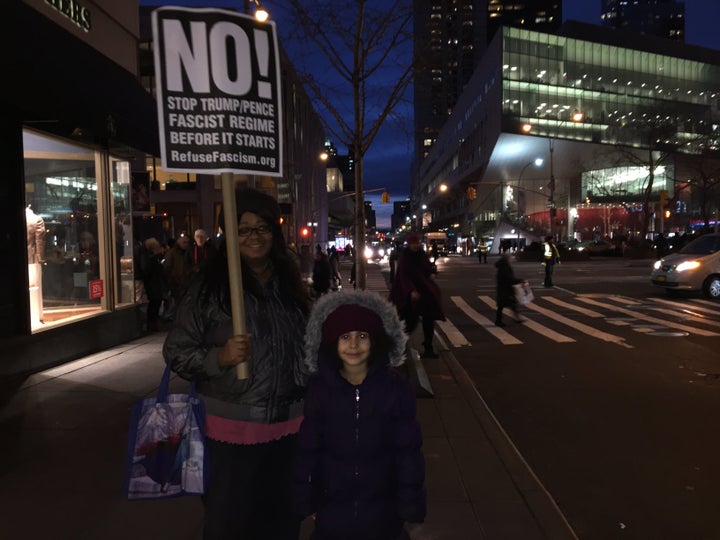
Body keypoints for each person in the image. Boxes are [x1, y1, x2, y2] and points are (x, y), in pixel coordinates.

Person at [163, 188, 311, 540]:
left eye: (262, 228)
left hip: (289, 430)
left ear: (274, 233)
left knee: (283, 524)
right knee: (230, 526)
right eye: (243, 229)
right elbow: (177, 351)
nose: (253, 237)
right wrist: (220, 357)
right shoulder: (208, 287)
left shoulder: (289, 285)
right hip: (231, 434)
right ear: (229, 234)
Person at [294, 290, 426, 540]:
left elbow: (408, 451)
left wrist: (410, 501)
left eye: (362, 336)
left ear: (375, 341)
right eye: (345, 337)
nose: (353, 345)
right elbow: (309, 449)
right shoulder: (321, 391)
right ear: (333, 341)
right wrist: (306, 497)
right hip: (333, 508)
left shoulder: (394, 390)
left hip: (383, 509)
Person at [389, 232, 445, 358]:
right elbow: (403, 276)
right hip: (409, 294)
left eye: (417, 243)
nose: (415, 245)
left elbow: (427, 267)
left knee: (428, 320)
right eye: (413, 243)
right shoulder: (405, 257)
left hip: (424, 292)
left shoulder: (421, 255)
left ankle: (428, 348)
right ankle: (398, 347)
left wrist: (432, 272)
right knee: (409, 322)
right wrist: (411, 290)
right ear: (409, 244)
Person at [162, 234, 192, 318]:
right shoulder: (172, 253)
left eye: (187, 242)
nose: (186, 244)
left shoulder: (189, 253)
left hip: (185, 281)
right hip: (176, 282)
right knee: (177, 302)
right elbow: (167, 268)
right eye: (184, 242)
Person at [140, 237, 166, 332]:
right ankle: (151, 323)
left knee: (156, 302)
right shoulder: (149, 257)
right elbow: (146, 269)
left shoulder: (151, 256)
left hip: (154, 282)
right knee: (154, 302)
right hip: (152, 282)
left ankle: (153, 323)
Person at [495, 253, 526, 327]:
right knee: (503, 305)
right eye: (510, 258)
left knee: (510, 304)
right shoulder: (505, 267)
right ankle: (498, 321)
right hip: (505, 289)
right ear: (507, 259)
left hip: (504, 289)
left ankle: (516, 318)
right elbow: (509, 279)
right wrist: (519, 280)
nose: (511, 259)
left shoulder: (502, 266)